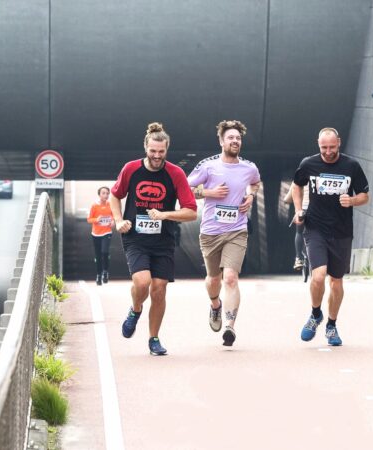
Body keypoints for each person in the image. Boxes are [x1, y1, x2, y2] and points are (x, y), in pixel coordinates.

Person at [110, 122, 197, 356]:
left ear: (166, 150)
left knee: (159, 289)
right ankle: (135, 309)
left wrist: (165, 214)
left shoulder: (175, 174)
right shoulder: (131, 169)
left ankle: (154, 339)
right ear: (146, 147)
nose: (157, 156)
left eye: (161, 152)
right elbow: (114, 196)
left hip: (163, 240)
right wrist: (119, 220)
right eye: (153, 151)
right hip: (135, 238)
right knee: (142, 283)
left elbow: (191, 211)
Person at [292, 127, 370, 346]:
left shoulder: (351, 166)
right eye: (324, 147)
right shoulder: (309, 164)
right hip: (315, 227)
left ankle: (331, 325)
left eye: (332, 147)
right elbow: (296, 185)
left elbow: (365, 195)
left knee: (336, 282)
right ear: (318, 144)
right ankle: (316, 314)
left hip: (342, 231)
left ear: (339, 143)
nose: (328, 152)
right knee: (318, 276)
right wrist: (299, 209)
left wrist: (353, 201)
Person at [187, 120, 261, 346]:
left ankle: (229, 326)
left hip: (237, 230)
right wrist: (210, 192)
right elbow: (187, 189)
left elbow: (256, 183)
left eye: (238, 138)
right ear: (221, 141)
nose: (235, 141)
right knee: (213, 279)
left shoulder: (249, 167)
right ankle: (215, 306)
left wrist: (250, 196)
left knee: (230, 277)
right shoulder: (208, 166)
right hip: (210, 231)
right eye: (230, 138)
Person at [87, 186, 114, 285]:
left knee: (104, 252)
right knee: (98, 255)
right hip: (96, 234)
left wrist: (113, 221)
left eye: (107, 193)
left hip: (107, 232)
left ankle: (105, 272)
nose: (106, 195)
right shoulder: (94, 206)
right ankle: (98, 275)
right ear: (99, 194)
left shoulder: (110, 205)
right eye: (103, 193)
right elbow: (89, 219)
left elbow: (114, 216)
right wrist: (96, 220)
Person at [283, 183, 310, 270]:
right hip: (318, 210)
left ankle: (298, 258)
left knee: (299, 232)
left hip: (303, 209)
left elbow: (287, 199)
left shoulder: (300, 177)